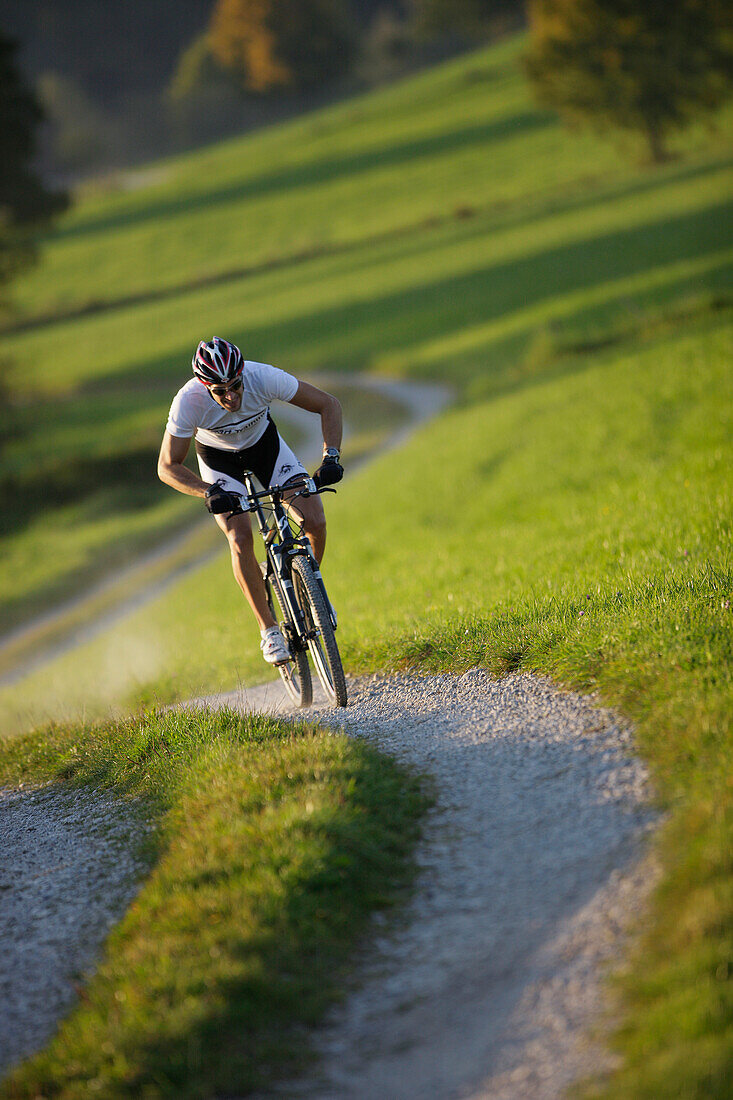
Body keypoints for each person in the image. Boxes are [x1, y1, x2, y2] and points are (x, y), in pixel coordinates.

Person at [158, 337, 343, 665]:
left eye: (236, 385)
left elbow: (328, 404)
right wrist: (207, 491)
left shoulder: (263, 377)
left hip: (265, 447)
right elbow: (167, 466)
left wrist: (331, 457)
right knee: (240, 537)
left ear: (244, 374)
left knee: (314, 519)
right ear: (205, 387)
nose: (231, 396)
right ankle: (269, 630)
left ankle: (309, 590)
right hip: (218, 461)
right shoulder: (188, 401)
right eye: (220, 391)